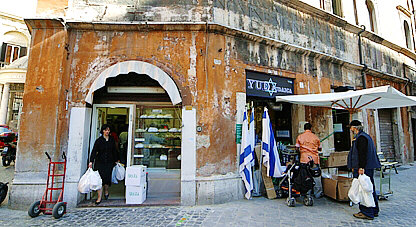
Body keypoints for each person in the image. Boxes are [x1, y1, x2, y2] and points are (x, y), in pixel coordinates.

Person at [347, 120, 381, 220]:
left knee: (363, 190)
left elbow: (362, 154)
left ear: (355, 128)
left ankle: (366, 212)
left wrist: (361, 168)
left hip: (364, 167)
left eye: (351, 127)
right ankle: (374, 210)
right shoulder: (364, 136)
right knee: (369, 188)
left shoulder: (361, 138)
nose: (350, 129)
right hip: (367, 166)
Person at [89, 124, 120, 205]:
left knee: (107, 178)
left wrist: (117, 159)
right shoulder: (99, 141)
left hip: (109, 162)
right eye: (106, 130)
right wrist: (91, 161)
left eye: (108, 130)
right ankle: (99, 197)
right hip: (100, 162)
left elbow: (114, 150)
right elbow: (94, 151)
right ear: (102, 131)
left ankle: (106, 191)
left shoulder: (112, 140)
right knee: (100, 179)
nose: (107, 132)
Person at [296, 122, 322, 198]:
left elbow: (297, 147)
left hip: (304, 159)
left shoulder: (300, 137)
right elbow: (320, 148)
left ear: (304, 129)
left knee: (305, 176)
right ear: (311, 128)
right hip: (314, 160)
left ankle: (306, 192)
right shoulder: (315, 137)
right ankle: (317, 193)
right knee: (316, 176)